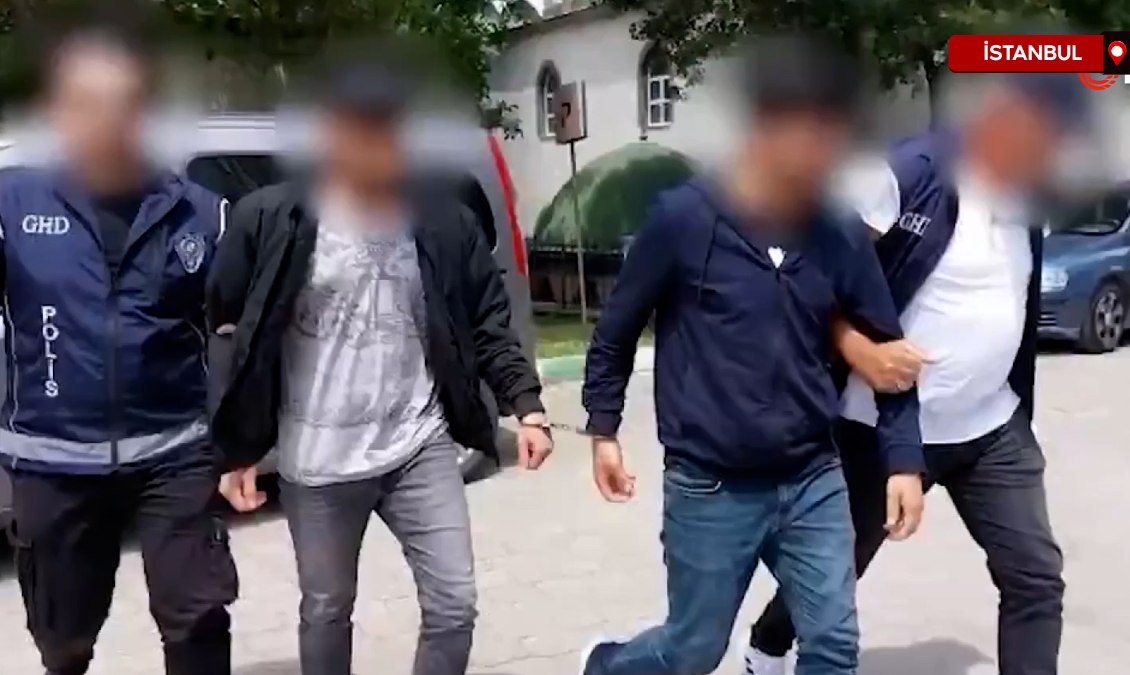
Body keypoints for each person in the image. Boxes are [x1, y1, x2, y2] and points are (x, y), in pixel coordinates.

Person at [578, 36, 926, 675]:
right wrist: (604, 428)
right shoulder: (684, 219)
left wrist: (903, 461)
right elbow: (616, 329)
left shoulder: (839, 234)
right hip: (711, 483)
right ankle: (605, 664)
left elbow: (889, 349)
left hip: (812, 475)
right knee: (693, 651)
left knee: (833, 643)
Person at [207, 54, 553, 675]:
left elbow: (487, 319)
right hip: (317, 460)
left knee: (454, 604)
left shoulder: (444, 223)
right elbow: (233, 332)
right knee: (326, 608)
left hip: (418, 445)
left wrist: (526, 405)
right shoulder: (271, 218)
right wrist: (236, 449)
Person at [743, 72, 1081, 675]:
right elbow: (800, 274)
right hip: (880, 426)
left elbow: (1012, 303)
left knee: (1034, 575)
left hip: (990, 425)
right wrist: (856, 348)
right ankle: (769, 644)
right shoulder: (906, 174)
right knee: (838, 566)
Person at [0, 28, 237, 675]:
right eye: (87, 103)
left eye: (123, 103)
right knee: (64, 641)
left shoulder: (200, 213)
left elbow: (239, 329)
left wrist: (238, 438)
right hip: (53, 459)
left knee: (199, 618)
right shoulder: (11, 205)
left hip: (173, 452)